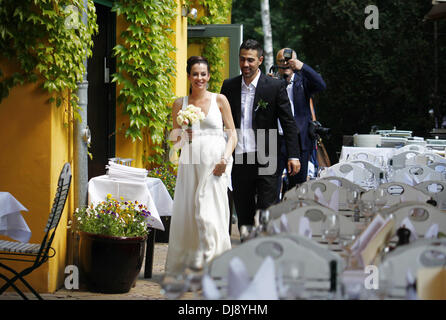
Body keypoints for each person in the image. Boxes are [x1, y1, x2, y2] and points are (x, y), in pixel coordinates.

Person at [220, 39, 301, 235]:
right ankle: (247, 249)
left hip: (267, 155)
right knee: (244, 210)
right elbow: (218, 119)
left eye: (250, 60)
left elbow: (288, 122)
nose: (245, 64)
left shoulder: (274, 86)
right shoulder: (229, 86)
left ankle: (265, 249)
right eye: (242, 59)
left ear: (260, 60)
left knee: (266, 208)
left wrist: (293, 155)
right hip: (239, 157)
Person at [165, 56, 237, 273]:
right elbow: (173, 141)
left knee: (211, 213)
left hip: (215, 165)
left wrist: (225, 159)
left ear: (209, 76)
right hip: (190, 165)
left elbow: (232, 133)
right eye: (195, 74)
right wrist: (183, 135)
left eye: (203, 74)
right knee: (189, 212)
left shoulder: (220, 100)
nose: (199, 78)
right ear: (188, 76)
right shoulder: (180, 104)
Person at [274, 48, 326, 200]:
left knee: (298, 187)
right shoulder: (272, 82)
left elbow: (321, 85)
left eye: (288, 60)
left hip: (299, 140)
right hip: (276, 140)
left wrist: (302, 67)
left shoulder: (302, 81)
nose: (285, 63)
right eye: (281, 61)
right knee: (271, 185)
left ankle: (295, 218)